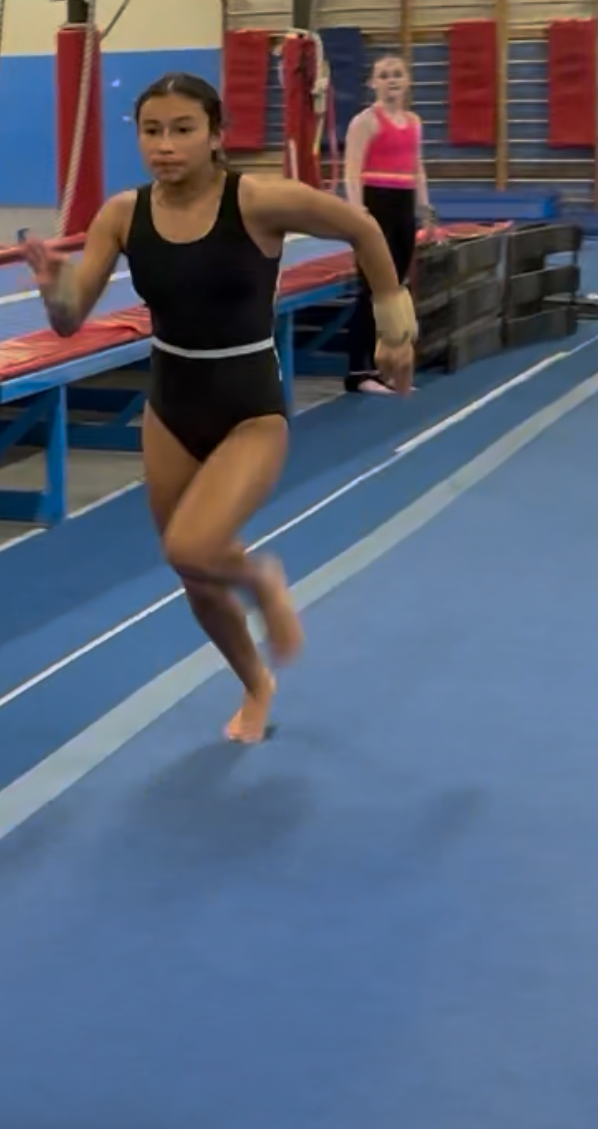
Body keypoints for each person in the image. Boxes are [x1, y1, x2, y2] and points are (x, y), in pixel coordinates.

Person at [23, 71, 415, 745]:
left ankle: (260, 578)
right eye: (151, 131)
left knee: (194, 544)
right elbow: (68, 322)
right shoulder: (121, 215)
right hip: (172, 402)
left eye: (182, 130)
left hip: (248, 407)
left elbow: (360, 226)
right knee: (193, 573)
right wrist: (52, 289)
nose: (165, 146)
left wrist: (392, 322)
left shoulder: (255, 200)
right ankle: (254, 683)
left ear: (214, 135)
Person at [343, 53, 431, 394]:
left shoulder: (414, 122)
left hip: (404, 206)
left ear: (407, 81)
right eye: (384, 75)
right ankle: (358, 372)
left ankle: (388, 366)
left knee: (395, 293)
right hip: (376, 205)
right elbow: (351, 171)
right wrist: (357, 214)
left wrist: (426, 209)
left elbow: (418, 167)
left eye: (397, 74)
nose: (391, 80)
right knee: (371, 289)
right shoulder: (365, 121)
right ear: (373, 83)